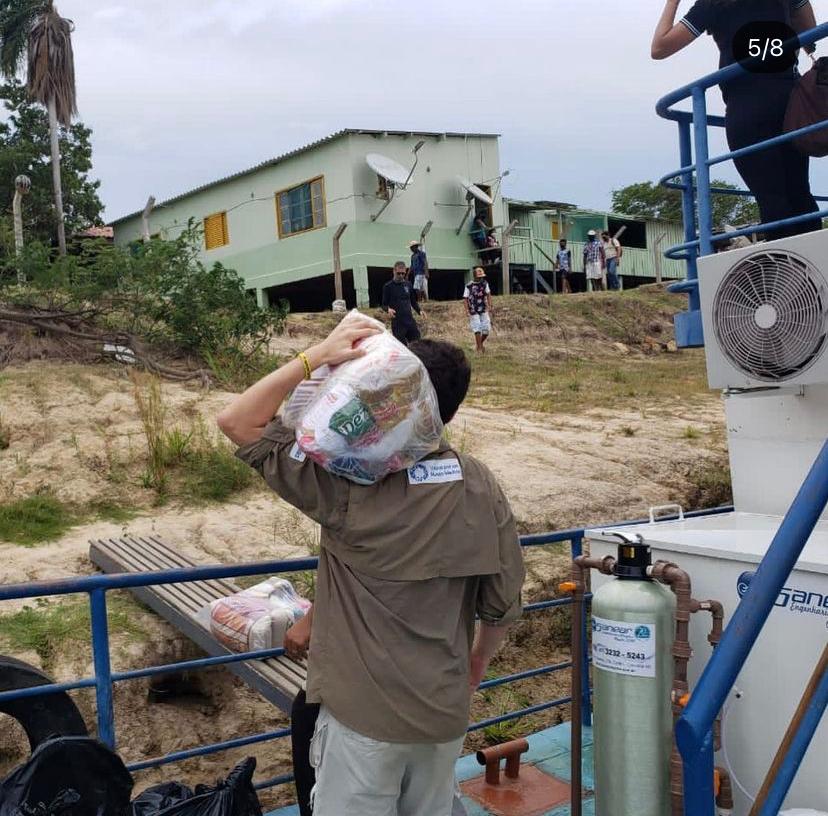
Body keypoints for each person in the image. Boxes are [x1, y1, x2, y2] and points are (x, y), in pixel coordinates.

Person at [217, 316, 525, 816]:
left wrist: (316, 356)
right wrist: (475, 665)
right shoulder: (479, 483)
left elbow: (238, 421)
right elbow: (502, 600)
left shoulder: (346, 484)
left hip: (362, 721)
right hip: (443, 712)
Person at [651, 0, 821, 241]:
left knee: (772, 198)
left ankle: (788, 274)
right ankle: (816, 273)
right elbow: (809, 30)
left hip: (746, 105)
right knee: (799, 194)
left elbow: (660, 47)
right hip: (787, 99)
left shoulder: (712, 3)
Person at [381, 260, 423, 345]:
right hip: (398, 324)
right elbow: (384, 305)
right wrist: (388, 310)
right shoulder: (388, 287)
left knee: (418, 345)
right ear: (394, 271)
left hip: (410, 321)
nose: (401, 276)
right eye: (398, 273)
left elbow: (413, 302)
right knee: (402, 348)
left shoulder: (408, 285)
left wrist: (419, 311)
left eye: (403, 273)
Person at [464, 267, 494, 353]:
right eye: (479, 276)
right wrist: (466, 310)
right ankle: (480, 349)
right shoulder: (468, 286)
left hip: (483, 308)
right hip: (473, 309)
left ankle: (478, 345)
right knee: (477, 328)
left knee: (486, 329)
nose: (481, 278)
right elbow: (465, 298)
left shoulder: (485, 283)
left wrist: (490, 305)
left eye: (482, 276)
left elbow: (488, 294)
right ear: (475, 276)